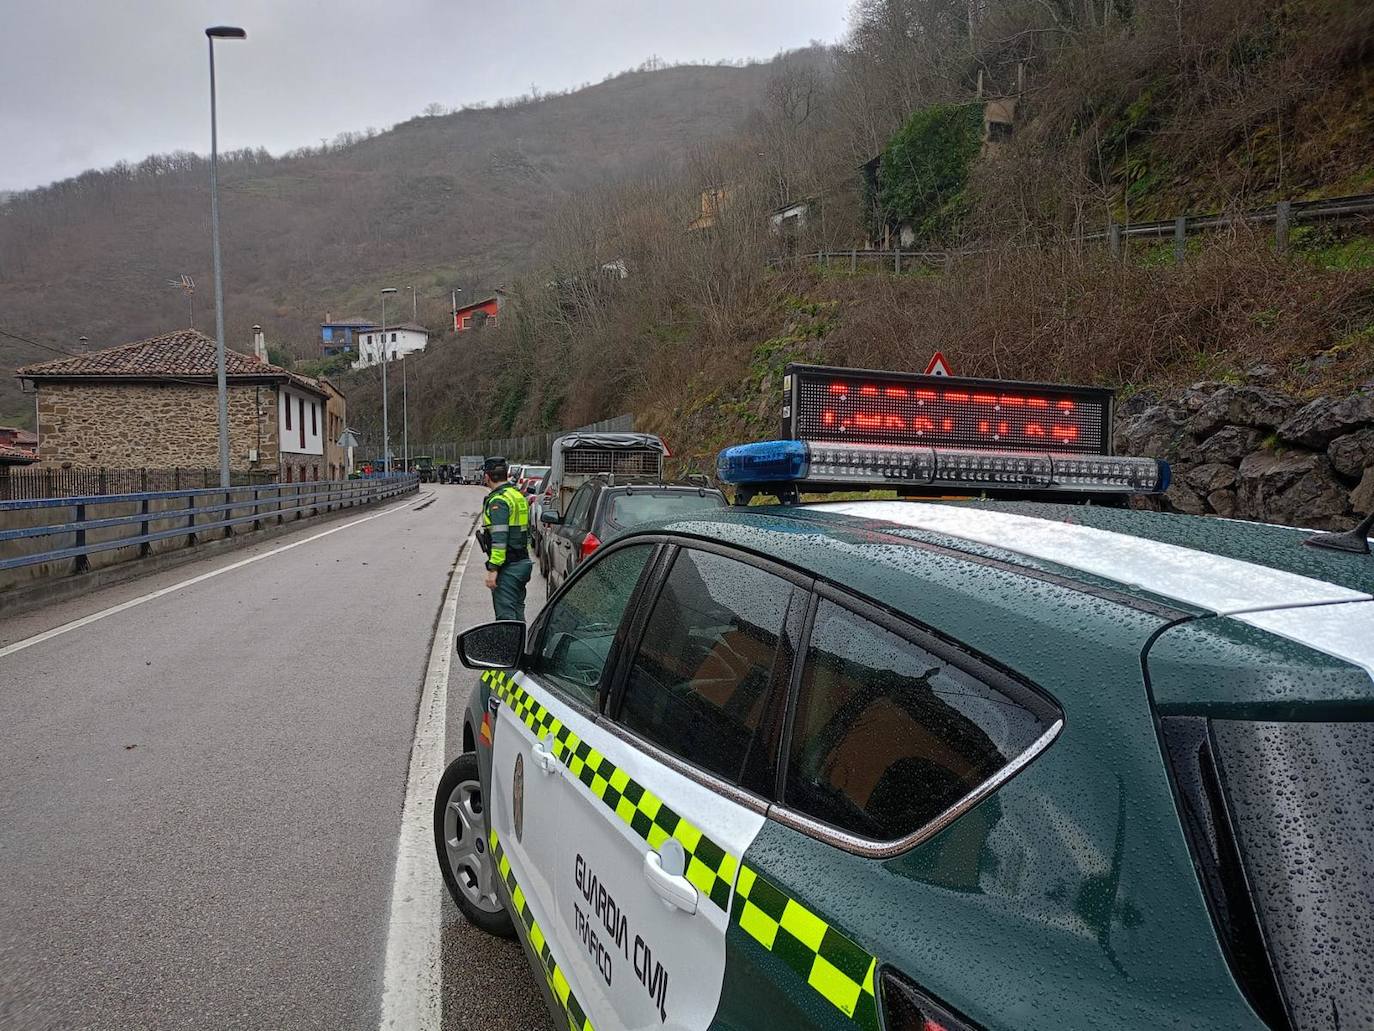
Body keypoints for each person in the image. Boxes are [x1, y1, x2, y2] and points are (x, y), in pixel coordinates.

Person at [479, 457, 533, 622]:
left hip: (508, 567)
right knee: (517, 612)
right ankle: (520, 647)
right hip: (522, 561)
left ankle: (509, 647)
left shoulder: (499, 501)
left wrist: (493, 568)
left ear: (487, 476)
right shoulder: (517, 495)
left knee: (506, 619)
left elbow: (500, 538)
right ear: (506, 474)